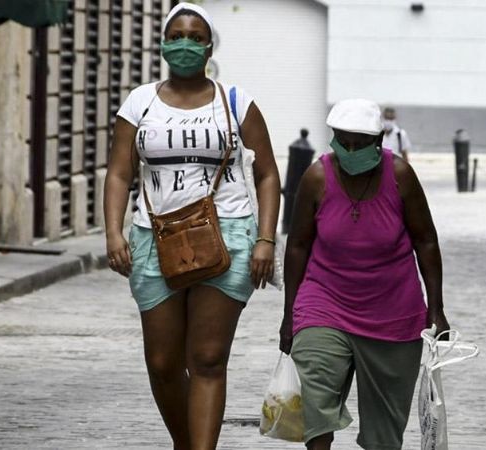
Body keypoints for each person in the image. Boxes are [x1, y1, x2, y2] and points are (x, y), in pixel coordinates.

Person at [103, 3, 281, 449]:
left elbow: (268, 174)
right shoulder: (139, 102)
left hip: (229, 237)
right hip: (154, 238)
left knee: (206, 358)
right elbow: (120, 172)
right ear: (163, 44)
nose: (184, 44)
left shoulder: (236, 102)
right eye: (176, 35)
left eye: (194, 36)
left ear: (208, 45)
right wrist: (113, 231)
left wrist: (265, 239)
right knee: (163, 362)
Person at [279, 99, 450, 450]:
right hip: (324, 303)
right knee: (315, 403)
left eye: (361, 143)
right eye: (344, 142)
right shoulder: (316, 177)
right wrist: (289, 314)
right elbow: (297, 246)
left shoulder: (400, 175)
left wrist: (437, 308)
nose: (352, 150)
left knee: (383, 436)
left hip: (393, 314)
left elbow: (426, 241)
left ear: (380, 140)